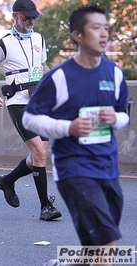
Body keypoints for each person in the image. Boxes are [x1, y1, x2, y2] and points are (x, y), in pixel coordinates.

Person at [23, 4, 129, 266]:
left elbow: (123, 113)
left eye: (106, 28)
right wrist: (67, 128)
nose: (104, 34)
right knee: (108, 242)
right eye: (96, 28)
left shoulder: (114, 72)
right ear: (78, 35)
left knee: (98, 243)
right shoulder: (60, 76)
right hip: (74, 168)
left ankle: (66, 263)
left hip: (107, 166)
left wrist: (115, 119)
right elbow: (29, 117)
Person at [0, 0, 61, 221]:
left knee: (38, 155)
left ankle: (7, 181)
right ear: (15, 16)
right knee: (39, 152)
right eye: (27, 18)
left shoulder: (39, 39)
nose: (31, 22)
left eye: (34, 17)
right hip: (18, 101)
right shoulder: (2, 44)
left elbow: (42, 66)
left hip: (41, 100)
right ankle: (45, 206)